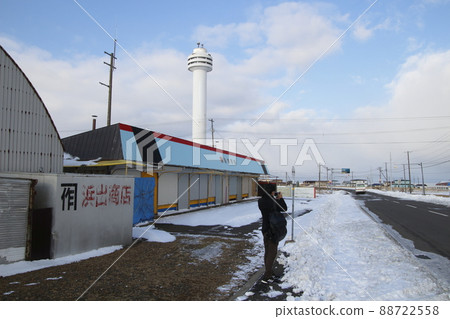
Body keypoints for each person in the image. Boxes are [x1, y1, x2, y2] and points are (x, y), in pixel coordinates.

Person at [258, 184, 287, 283]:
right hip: (273, 230)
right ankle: (267, 275)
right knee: (272, 252)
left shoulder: (261, 201)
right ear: (271, 192)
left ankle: (268, 271)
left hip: (265, 228)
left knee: (267, 251)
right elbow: (284, 208)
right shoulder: (273, 201)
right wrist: (280, 199)